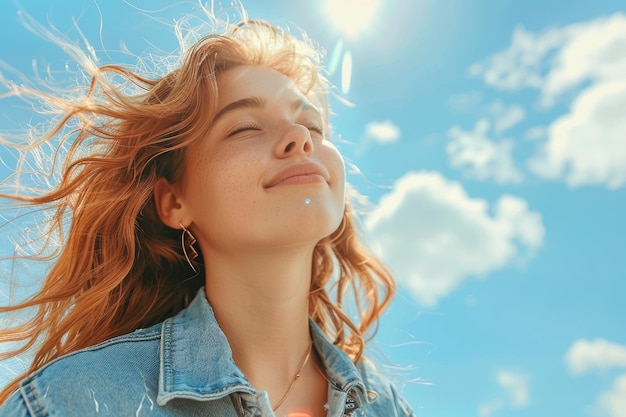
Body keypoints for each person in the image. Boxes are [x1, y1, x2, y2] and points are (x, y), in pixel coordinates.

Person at [0, 9, 415, 417]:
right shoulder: (70, 400)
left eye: (314, 126)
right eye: (245, 128)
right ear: (174, 202)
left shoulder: (387, 407)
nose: (300, 139)